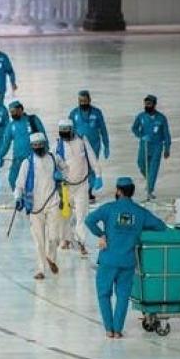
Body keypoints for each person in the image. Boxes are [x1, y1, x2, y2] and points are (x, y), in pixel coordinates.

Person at [86, 177, 167, 338]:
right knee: (122, 296)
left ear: (118, 191)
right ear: (132, 191)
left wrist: (101, 234)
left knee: (104, 294)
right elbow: (160, 226)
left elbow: (89, 220)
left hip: (108, 260)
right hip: (127, 261)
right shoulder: (140, 212)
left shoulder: (109, 208)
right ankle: (117, 330)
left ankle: (108, 329)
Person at [14, 133, 63, 280]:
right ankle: (41, 269)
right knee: (39, 240)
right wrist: (18, 198)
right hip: (35, 206)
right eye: (35, 145)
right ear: (31, 147)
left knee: (54, 236)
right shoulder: (27, 163)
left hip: (53, 202)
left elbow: (66, 170)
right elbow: (19, 185)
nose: (38, 147)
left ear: (45, 144)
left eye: (40, 144)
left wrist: (60, 175)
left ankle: (51, 257)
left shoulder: (55, 158)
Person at [55, 118, 102, 255]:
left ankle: (81, 242)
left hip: (82, 185)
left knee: (82, 215)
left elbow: (92, 157)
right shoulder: (57, 145)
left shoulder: (82, 140)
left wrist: (98, 174)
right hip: (66, 187)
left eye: (66, 132)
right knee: (65, 215)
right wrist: (54, 173)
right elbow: (51, 162)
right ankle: (66, 239)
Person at [69, 90, 109, 202]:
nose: (82, 103)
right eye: (80, 101)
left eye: (85, 101)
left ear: (89, 100)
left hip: (94, 145)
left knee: (91, 167)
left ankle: (89, 191)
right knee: (80, 167)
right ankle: (79, 189)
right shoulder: (74, 113)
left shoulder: (97, 113)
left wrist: (106, 145)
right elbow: (68, 128)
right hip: (78, 145)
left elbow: (103, 129)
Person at [0, 101, 46, 191]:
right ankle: (19, 199)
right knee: (13, 179)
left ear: (20, 109)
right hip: (18, 159)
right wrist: (0, 156)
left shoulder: (33, 120)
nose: (12, 114)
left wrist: (45, 154)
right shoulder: (11, 126)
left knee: (34, 181)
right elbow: (6, 143)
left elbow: (43, 136)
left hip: (33, 158)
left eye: (14, 111)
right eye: (11, 112)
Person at [131, 94, 171, 200]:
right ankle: (149, 180)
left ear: (154, 104)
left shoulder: (161, 118)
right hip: (144, 145)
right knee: (141, 164)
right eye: (146, 104)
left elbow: (166, 134)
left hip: (157, 147)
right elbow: (134, 128)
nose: (147, 106)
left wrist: (167, 148)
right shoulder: (141, 116)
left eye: (149, 104)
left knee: (153, 169)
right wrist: (141, 136)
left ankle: (150, 190)